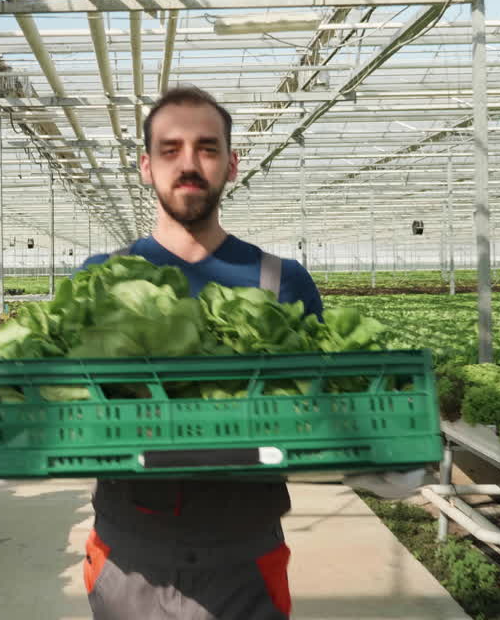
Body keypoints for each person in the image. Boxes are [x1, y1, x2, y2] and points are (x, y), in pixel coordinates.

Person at [76, 86, 322, 620]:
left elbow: (320, 407)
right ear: (146, 166)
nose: (189, 163)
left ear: (232, 165)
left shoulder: (282, 281)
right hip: (127, 556)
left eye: (208, 148)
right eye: (170, 149)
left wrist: (372, 452)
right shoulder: (99, 278)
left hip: (245, 556)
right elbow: (67, 400)